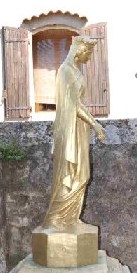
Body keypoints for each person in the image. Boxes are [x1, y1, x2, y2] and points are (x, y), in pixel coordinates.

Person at [41, 35, 106, 230]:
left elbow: (79, 103)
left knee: (82, 175)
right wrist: (95, 124)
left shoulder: (76, 71)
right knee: (70, 175)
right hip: (69, 130)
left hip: (79, 129)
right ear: (79, 50)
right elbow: (73, 105)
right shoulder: (65, 71)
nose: (89, 57)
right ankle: (57, 219)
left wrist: (91, 125)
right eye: (88, 53)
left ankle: (70, 218)